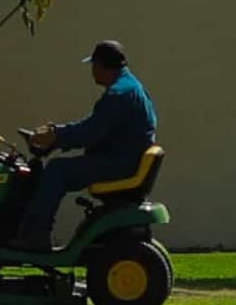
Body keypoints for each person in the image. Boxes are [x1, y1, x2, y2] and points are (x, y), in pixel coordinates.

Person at [14, 39, 158, 248]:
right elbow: (98, 130)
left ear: (100, 65)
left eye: (93, 65)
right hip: (126, 159)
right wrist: (57, 138)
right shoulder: (133, 88)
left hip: (118, 164)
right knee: (59, 168)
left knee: (56, 171)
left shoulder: (118, 94)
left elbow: (90, 132)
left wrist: (56, 135)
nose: (92, 71)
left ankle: (35, 236)